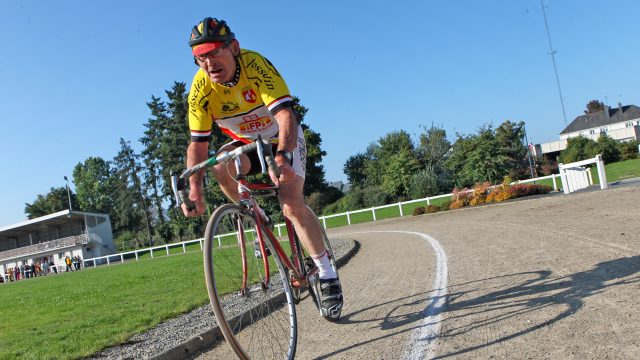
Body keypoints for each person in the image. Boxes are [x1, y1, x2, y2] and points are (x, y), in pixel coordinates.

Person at [182, 17, 343, 321]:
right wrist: (194, 187)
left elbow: (286, 118)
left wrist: (282, 156)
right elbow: (197, 147)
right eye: (200, 56)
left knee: (292, 205)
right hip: (248, 146)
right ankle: (253, 214)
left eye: (215, 52)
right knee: (220, 163)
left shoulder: (256, 66)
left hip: (282, 138)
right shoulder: (200, 89)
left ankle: (326, 272)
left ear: (235, 48)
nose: (209, 62)